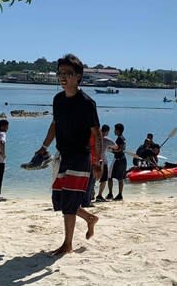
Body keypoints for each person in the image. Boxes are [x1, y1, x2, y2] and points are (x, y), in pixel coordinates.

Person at [36, 54, 101, 256]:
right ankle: (90, 218)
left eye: (68, 73)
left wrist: (97, 161)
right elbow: (55, 125)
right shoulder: (58, 100)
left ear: (78, 77)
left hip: (80, 157)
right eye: (60, 73)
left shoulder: (87, 103)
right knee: (62, 200)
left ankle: (67, 244)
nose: (63, 77)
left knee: (70, 202)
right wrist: (43, 146)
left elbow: (96, 133)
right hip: (62, 155)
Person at [95, 124, 115, 202]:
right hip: (103, 161)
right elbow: (116, 146)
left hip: (95, 161)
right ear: (107, 131)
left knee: (93, 179)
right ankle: (99, 195)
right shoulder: (107, 139)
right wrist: (109, 147)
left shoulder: (96, 138)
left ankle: (90, 195)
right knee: (103, 180)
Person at [107, 123, 127, 201]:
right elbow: (121, 149)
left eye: (115, 130)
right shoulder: (123, 138)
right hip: (123, 159)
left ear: (118, 130)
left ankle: (110, 194)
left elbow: (119, 149)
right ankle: (120, 194)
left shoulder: (119, 139)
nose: (114, 131)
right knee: (120, 178)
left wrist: (110, 149)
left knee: (109, 177)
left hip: (117, 159)